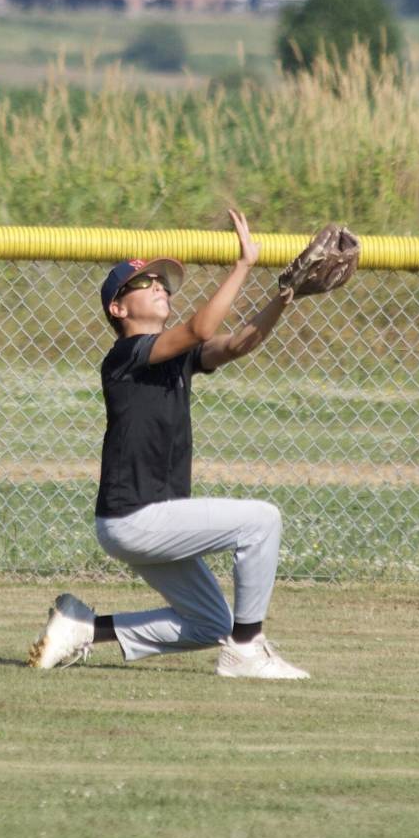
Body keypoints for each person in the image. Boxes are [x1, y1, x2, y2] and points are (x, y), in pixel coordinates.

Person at [28, 209, 309, 679]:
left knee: (210, 622)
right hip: (135, 516)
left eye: (163, 282)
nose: (160, 285)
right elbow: (200, 329)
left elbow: (237, 343)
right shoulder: (125, 356)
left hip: (150, 518)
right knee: (261, 521)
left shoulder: (174, 359)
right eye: (145, 283)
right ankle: (247, 648)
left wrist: (284, 297)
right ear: (118, 309)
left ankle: (84, 628)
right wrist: (243, 266)